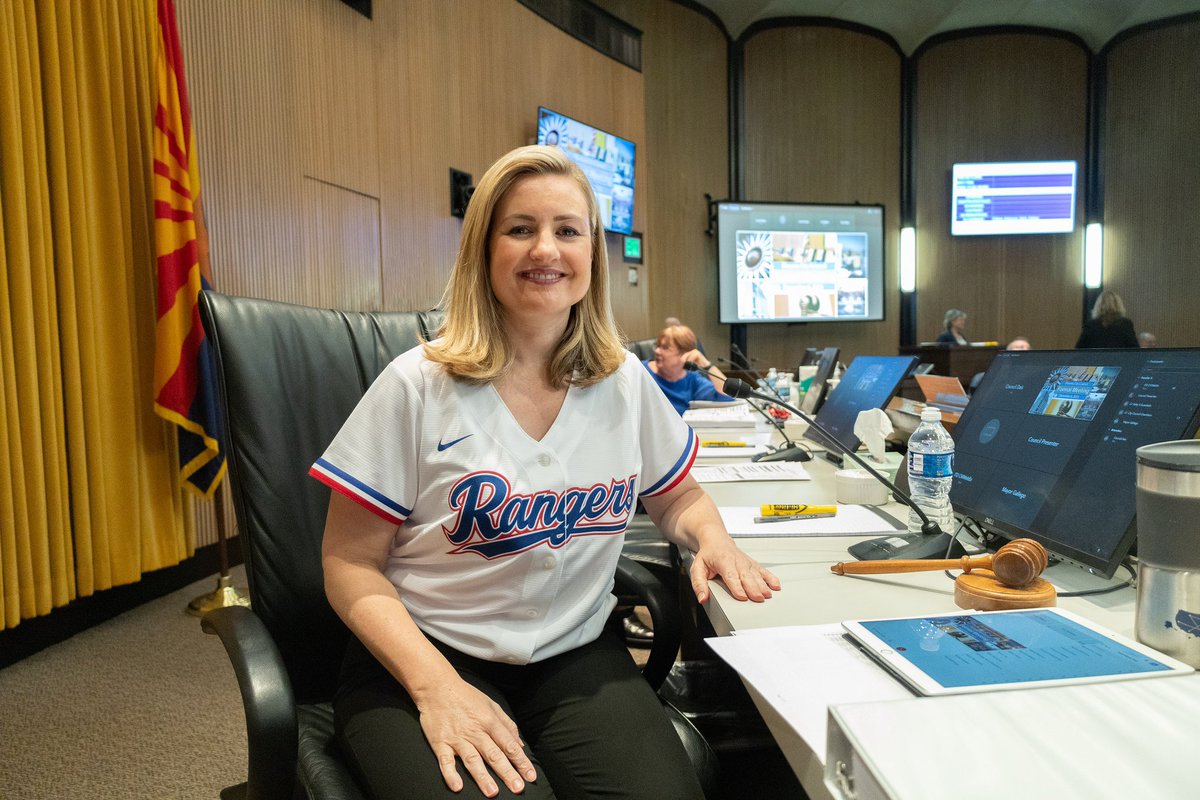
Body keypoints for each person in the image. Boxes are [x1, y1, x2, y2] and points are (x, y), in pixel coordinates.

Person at [311, 145, 779, 800]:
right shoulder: (417, 387)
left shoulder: (623, 382)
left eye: (567, 230)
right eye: (520, 229)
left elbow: (680, 497)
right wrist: (437, 688)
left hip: (577, 657)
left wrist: (714, 540)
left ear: (593, 253)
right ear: (484, 248)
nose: (546, 251)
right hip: (423, 657)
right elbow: (348, 564)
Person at [643, 324, 733, 414]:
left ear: (685, 353)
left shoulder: (692, 378)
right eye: (657, 346)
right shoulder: (642, 371)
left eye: (665, 348)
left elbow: (727, 397)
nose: (657, 351)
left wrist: (707, 365)